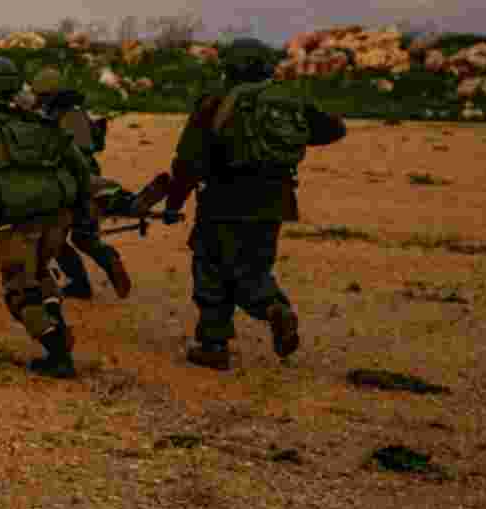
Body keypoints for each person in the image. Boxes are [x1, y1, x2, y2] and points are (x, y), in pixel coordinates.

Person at [141, 37, 346, 370]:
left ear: (230, 68)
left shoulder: (215, 103)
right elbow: (335, 129)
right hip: (275, 202)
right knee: (253, 267)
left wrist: (174, 204)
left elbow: (188, 163)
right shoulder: (287, 100)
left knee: (210, 266)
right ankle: (273, 307)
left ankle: (213, 345)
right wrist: (290, 118)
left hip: (223, 201)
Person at [0, 57, 93, 378]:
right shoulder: (41, 122)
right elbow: (81, 168)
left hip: (17, 225)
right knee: (41, 276)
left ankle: (58, 351)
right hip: (57, 219)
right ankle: (56, 325)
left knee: (19, 294)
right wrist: (85, 211)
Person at [29, 66, 133, 300]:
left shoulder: (57, 116)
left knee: (54, 237)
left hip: (67, 180)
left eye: (41, 96)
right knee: (84, 235)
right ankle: (109, 260)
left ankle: (79, 283)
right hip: (90, 178)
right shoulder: (78, 112)